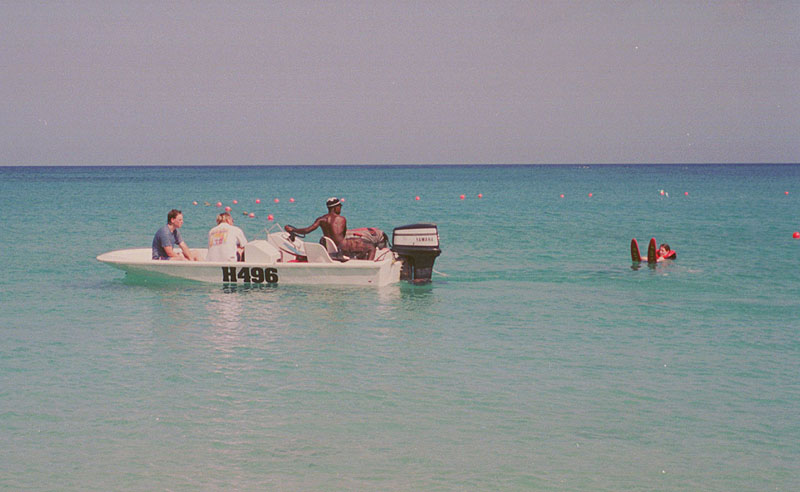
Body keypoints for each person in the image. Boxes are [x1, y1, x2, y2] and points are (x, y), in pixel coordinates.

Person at [284, 197, 376, 260]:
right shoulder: (342, 219)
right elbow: (343, 235)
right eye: (339, 207)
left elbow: (307, 230)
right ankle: (369, 268)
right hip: (343, 247)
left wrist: (293, 230)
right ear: (335, 208)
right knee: (371, 247)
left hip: (331, 247)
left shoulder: (321, 219)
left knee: (358, 243)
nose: (340, 209)